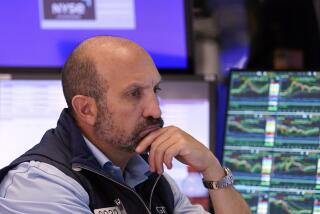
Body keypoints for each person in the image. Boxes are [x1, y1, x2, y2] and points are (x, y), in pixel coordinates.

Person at [0, 36, 250, 214]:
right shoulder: (38, 186)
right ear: (87, 109)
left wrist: (212, 168)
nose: (156, 110)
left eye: (155, 90)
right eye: (134, 94)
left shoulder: (145, 173)